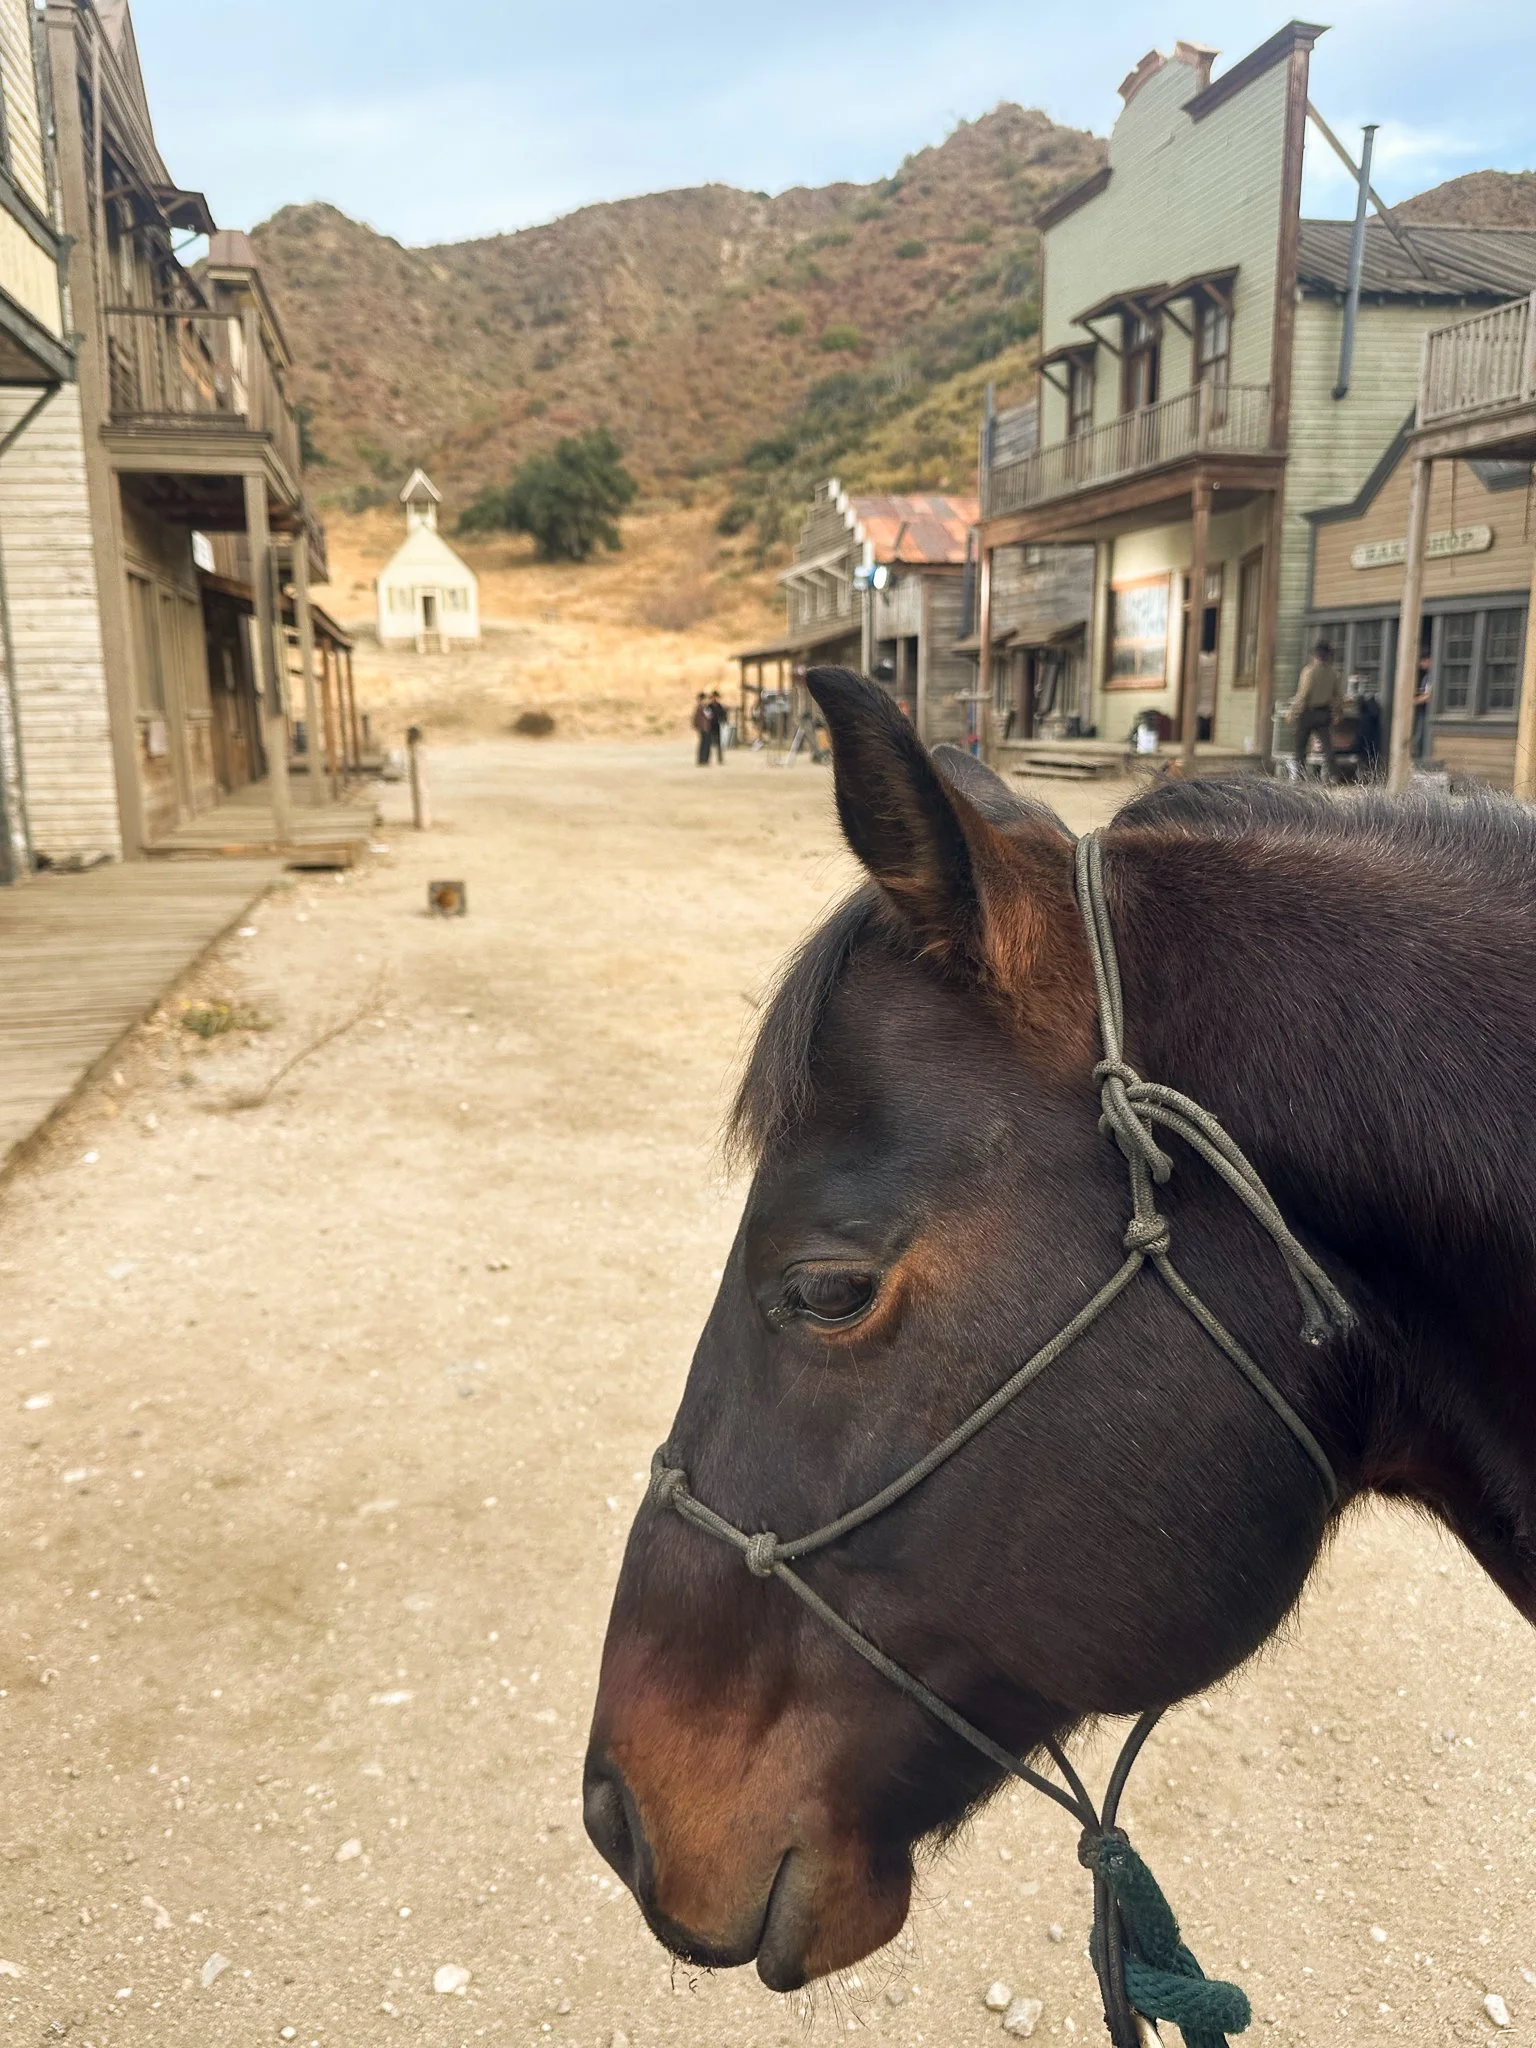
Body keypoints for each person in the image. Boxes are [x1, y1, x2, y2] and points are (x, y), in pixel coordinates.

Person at [1288, 640, 1343, 783]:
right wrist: (1338, 712)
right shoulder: (1333, 674)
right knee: (1327, 746)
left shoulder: (1309, 672)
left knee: (1300, 746)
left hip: (1308, 712)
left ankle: (1299, 775)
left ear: (1315, 655)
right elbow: (1338, 696)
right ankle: (1333, 775)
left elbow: (1303, 694)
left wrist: (1293, 712)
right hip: (1324, 712)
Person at [706, 689, 726, 764]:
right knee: (709, 744)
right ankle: (708, 759)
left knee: (719, 744)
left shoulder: (719, 706)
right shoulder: (709, 706)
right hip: (710, 727)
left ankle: (720, 759)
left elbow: (723, 715)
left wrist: (723, 721)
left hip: (717, 727)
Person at [692, 693, 712, 767]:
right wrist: (697, 726)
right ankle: (702, 759)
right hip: (703, 728)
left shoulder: (705, 708)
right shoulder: (699, 708)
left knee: (707, 744)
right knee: (703, 744)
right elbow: (696, 719)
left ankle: (705, 759)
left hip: (707, 728)